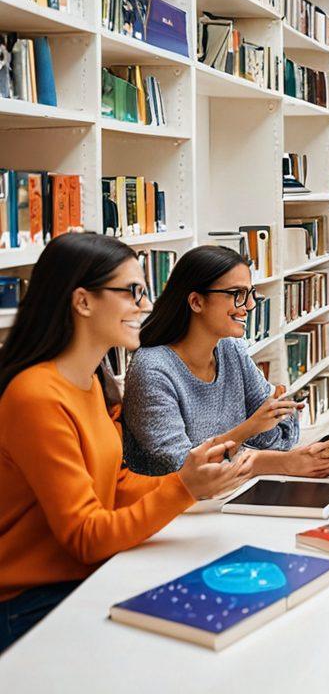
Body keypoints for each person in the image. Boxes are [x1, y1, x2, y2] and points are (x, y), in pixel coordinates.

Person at [0, 233, 252, 653]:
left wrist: (194, 482)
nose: (146, 305)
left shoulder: (93, 383)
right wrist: (183, 488)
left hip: (83, 576)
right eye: (132, 291)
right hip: (32, 603)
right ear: (83, 301)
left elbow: (114, 485)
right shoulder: (36, 396)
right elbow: (85, 536)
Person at [122, 246, 329, 478]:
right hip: (174, 500)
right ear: (196, 302)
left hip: (230, 489)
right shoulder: (152, 370)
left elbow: (283, 436)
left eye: (250, 294)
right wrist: (250, 431)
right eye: (237, 294)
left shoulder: (230, 348)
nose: (250, 305)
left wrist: (273, 433)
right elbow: (183, 471)